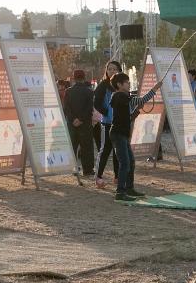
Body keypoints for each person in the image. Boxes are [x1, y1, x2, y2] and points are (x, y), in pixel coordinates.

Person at [107, 71, 159, 202]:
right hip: (118, 134)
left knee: (130, 162)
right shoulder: (120, 96)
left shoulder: (122, 97)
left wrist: (135, 111)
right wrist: (155, 89)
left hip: (122, 134)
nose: (129, 84)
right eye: (127, 82)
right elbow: (141, 100)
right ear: (119, 84)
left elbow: (128, 117)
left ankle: (129, 188)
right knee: (125, 163)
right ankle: (120, 193)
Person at [62, 69, 96, 178]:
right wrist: (81, 119)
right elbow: (89, 108)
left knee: (73, 146)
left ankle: (72, 168)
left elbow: (66, 108)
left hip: (72, 124)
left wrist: (73, 120)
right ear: (84, 77)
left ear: (73, 78)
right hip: (85, 124)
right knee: (87, 147)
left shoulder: (68, 91)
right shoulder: (89, 92)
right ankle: (88, 170)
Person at [93, 60, 122, 187]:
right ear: (106, 71)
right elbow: (96, 102)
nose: (112, 71)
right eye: (110, 69)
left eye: (115, 69)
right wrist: (106, 112)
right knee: (104, 150)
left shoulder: (122, 85)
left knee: (118, 152)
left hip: (119, 124)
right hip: (107, 124)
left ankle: (117, 176)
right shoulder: (103, 85)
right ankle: (98, 176)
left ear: (119, 70)